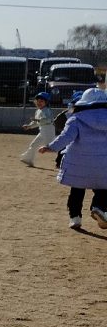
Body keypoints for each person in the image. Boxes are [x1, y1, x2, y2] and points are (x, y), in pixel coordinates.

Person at [40, 87, 107, 230]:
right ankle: (98, 207)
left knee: (77, 189)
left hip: (79, 162)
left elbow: (66, 137)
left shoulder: (76, 118)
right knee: (103, 188)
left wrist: (50, 147)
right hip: (104, 163)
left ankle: (75, 217)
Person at [20, 92, 56, 167]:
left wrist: (38, 120)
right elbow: (36, 122)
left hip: (48, 131)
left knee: (53, 147)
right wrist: (29, 126)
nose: (39, 103)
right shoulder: (38, 111)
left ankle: (64, 158)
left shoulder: (47, 110)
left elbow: (48, 120)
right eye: (38, 101)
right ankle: (28, 159)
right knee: (34, 144)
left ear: (46, 102)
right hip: (43, 131)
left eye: (41, 101)